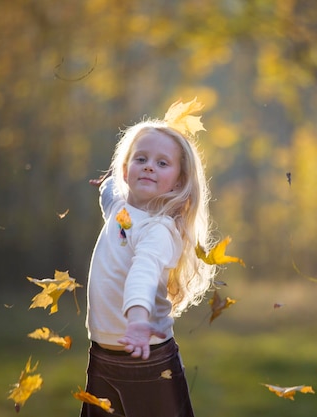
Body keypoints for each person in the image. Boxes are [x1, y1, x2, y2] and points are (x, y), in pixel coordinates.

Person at [81, 101, 215, 417]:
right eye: (141, 159)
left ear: (179, 182)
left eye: (162, 163)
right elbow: (112, 190)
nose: (149, 166)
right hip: (104, 355)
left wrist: (139, 320)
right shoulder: (121, 210)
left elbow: (142, 273)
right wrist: (108, 182)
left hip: (148, 358)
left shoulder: (159, 230)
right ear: (126, 169)